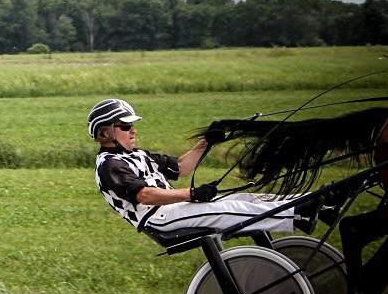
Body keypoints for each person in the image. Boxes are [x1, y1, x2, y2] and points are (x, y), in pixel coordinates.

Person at [88, 98, 328, 237]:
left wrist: (208, 141)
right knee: (229, 208)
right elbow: (145, 195)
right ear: (105, 133)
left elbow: (181, 168)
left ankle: (315, 202)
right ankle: (298, 214)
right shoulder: (109, 165)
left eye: (132, 125)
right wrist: (192, 194)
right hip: (158, 217)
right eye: (125, 126)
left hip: (173, 209)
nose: (133, 130)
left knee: (244, 199)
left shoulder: (138, 155)